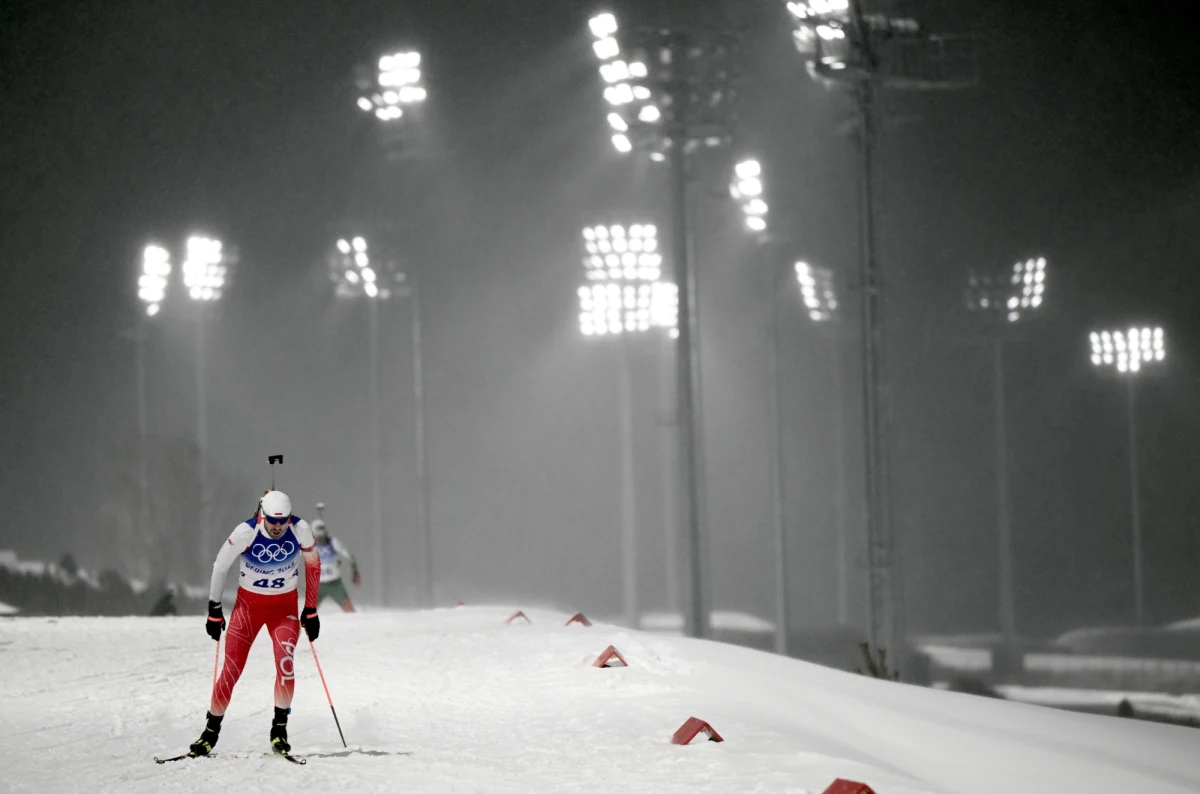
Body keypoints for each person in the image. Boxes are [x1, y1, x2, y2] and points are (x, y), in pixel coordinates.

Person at [188, 490, 321, 756]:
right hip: (248, 609)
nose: (277, 527)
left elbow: (313, 565)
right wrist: (214, 609)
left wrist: (311, 609)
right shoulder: (245, 532)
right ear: (262, 513)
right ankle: (209, 733)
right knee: (232, 670)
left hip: (283, 610)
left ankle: (279, 731)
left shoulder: (300, 529)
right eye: (272, 520)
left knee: (286, 664)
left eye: (282, 522)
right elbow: (220, 566)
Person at [312, 515, 361, 613]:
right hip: (317, 586)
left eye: (322, 532)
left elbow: (349, 556)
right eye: (318, 533)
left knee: (350, 611)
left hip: (335, 584)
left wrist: (355, 571)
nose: (320, 536)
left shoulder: (333, 542)